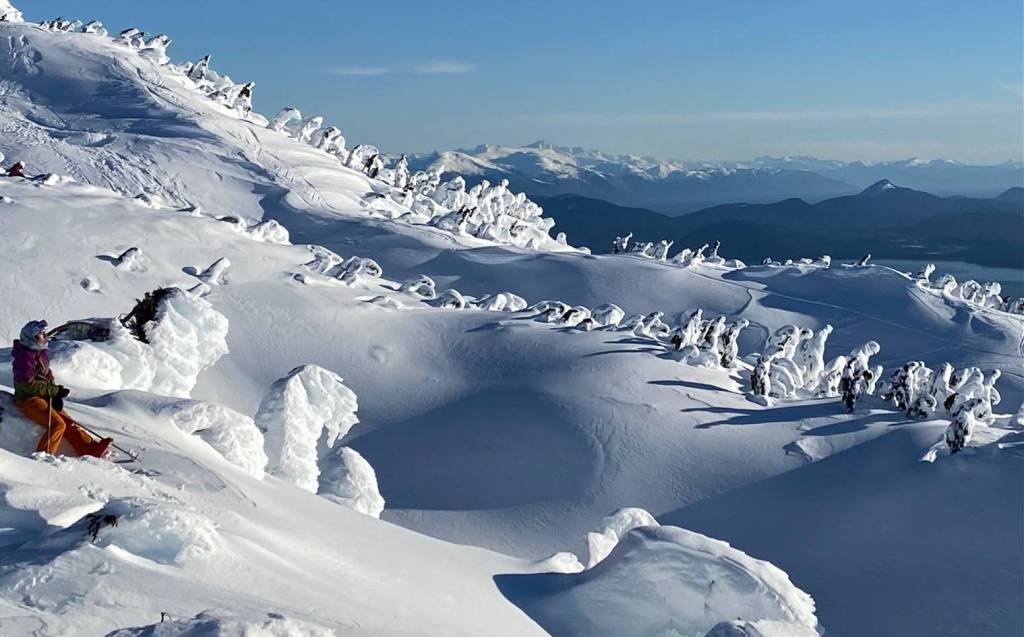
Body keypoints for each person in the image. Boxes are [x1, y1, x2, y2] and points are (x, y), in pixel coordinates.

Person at [11, 320, 112, 457]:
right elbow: (27, 386)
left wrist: (54, 394)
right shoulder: (24, 357)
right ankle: (43, 457)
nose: (45, 336)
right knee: (57, 425)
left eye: (44, 333)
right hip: (28, 399)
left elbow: (47, 376)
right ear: (31, 337)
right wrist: (54, 391)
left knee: (68, 421)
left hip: (43, 396)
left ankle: (89, 448)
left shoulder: (39, 353)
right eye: (41, 334)